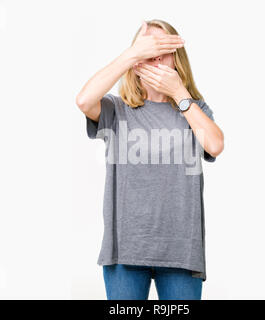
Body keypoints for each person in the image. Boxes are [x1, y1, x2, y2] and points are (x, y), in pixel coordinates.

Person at [76, 19, 224, 300]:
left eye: (163, 49)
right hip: (126, 248)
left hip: (182, 251)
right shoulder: (116, 109)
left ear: (177, 60)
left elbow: (215, 145)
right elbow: (84, 101)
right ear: (135, 61)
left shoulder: (193, 109)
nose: (155, 55)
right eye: (148, 48)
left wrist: (180, 94)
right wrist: (131, 54)